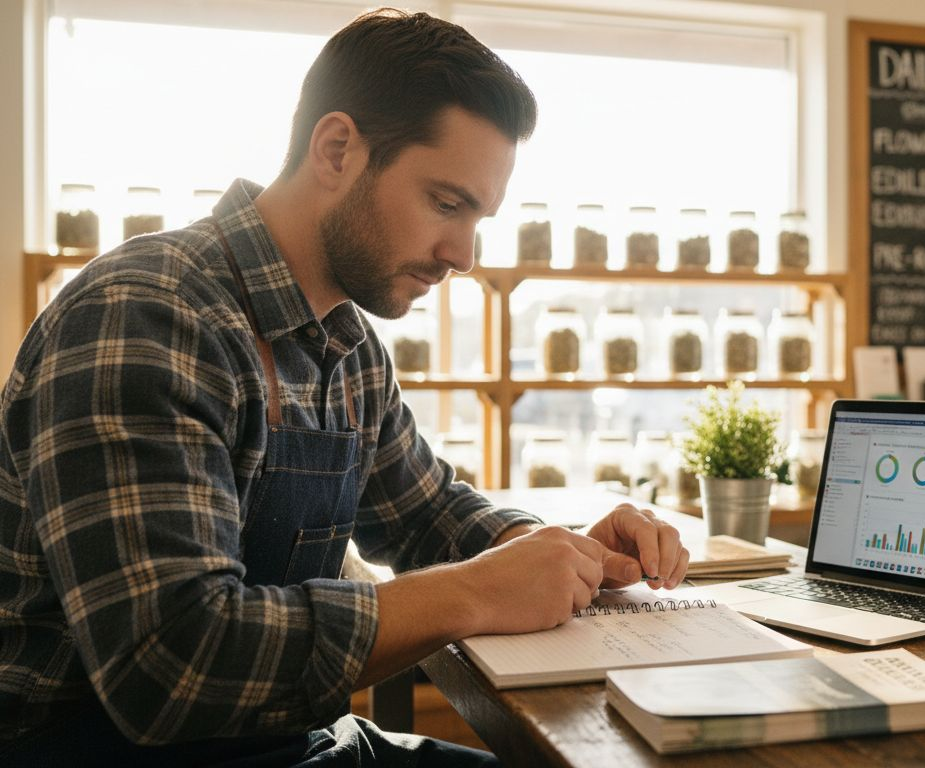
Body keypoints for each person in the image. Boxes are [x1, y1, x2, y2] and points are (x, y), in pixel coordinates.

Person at [0, 8, 688, 765]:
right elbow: (174, 667)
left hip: (298, 743)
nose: (462, 253)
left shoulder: (347, 344)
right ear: (337, 150)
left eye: (478, 217)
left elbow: (427, 513)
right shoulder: (147, 315)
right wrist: (477, 592)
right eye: (446, 203)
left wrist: (558, 554)